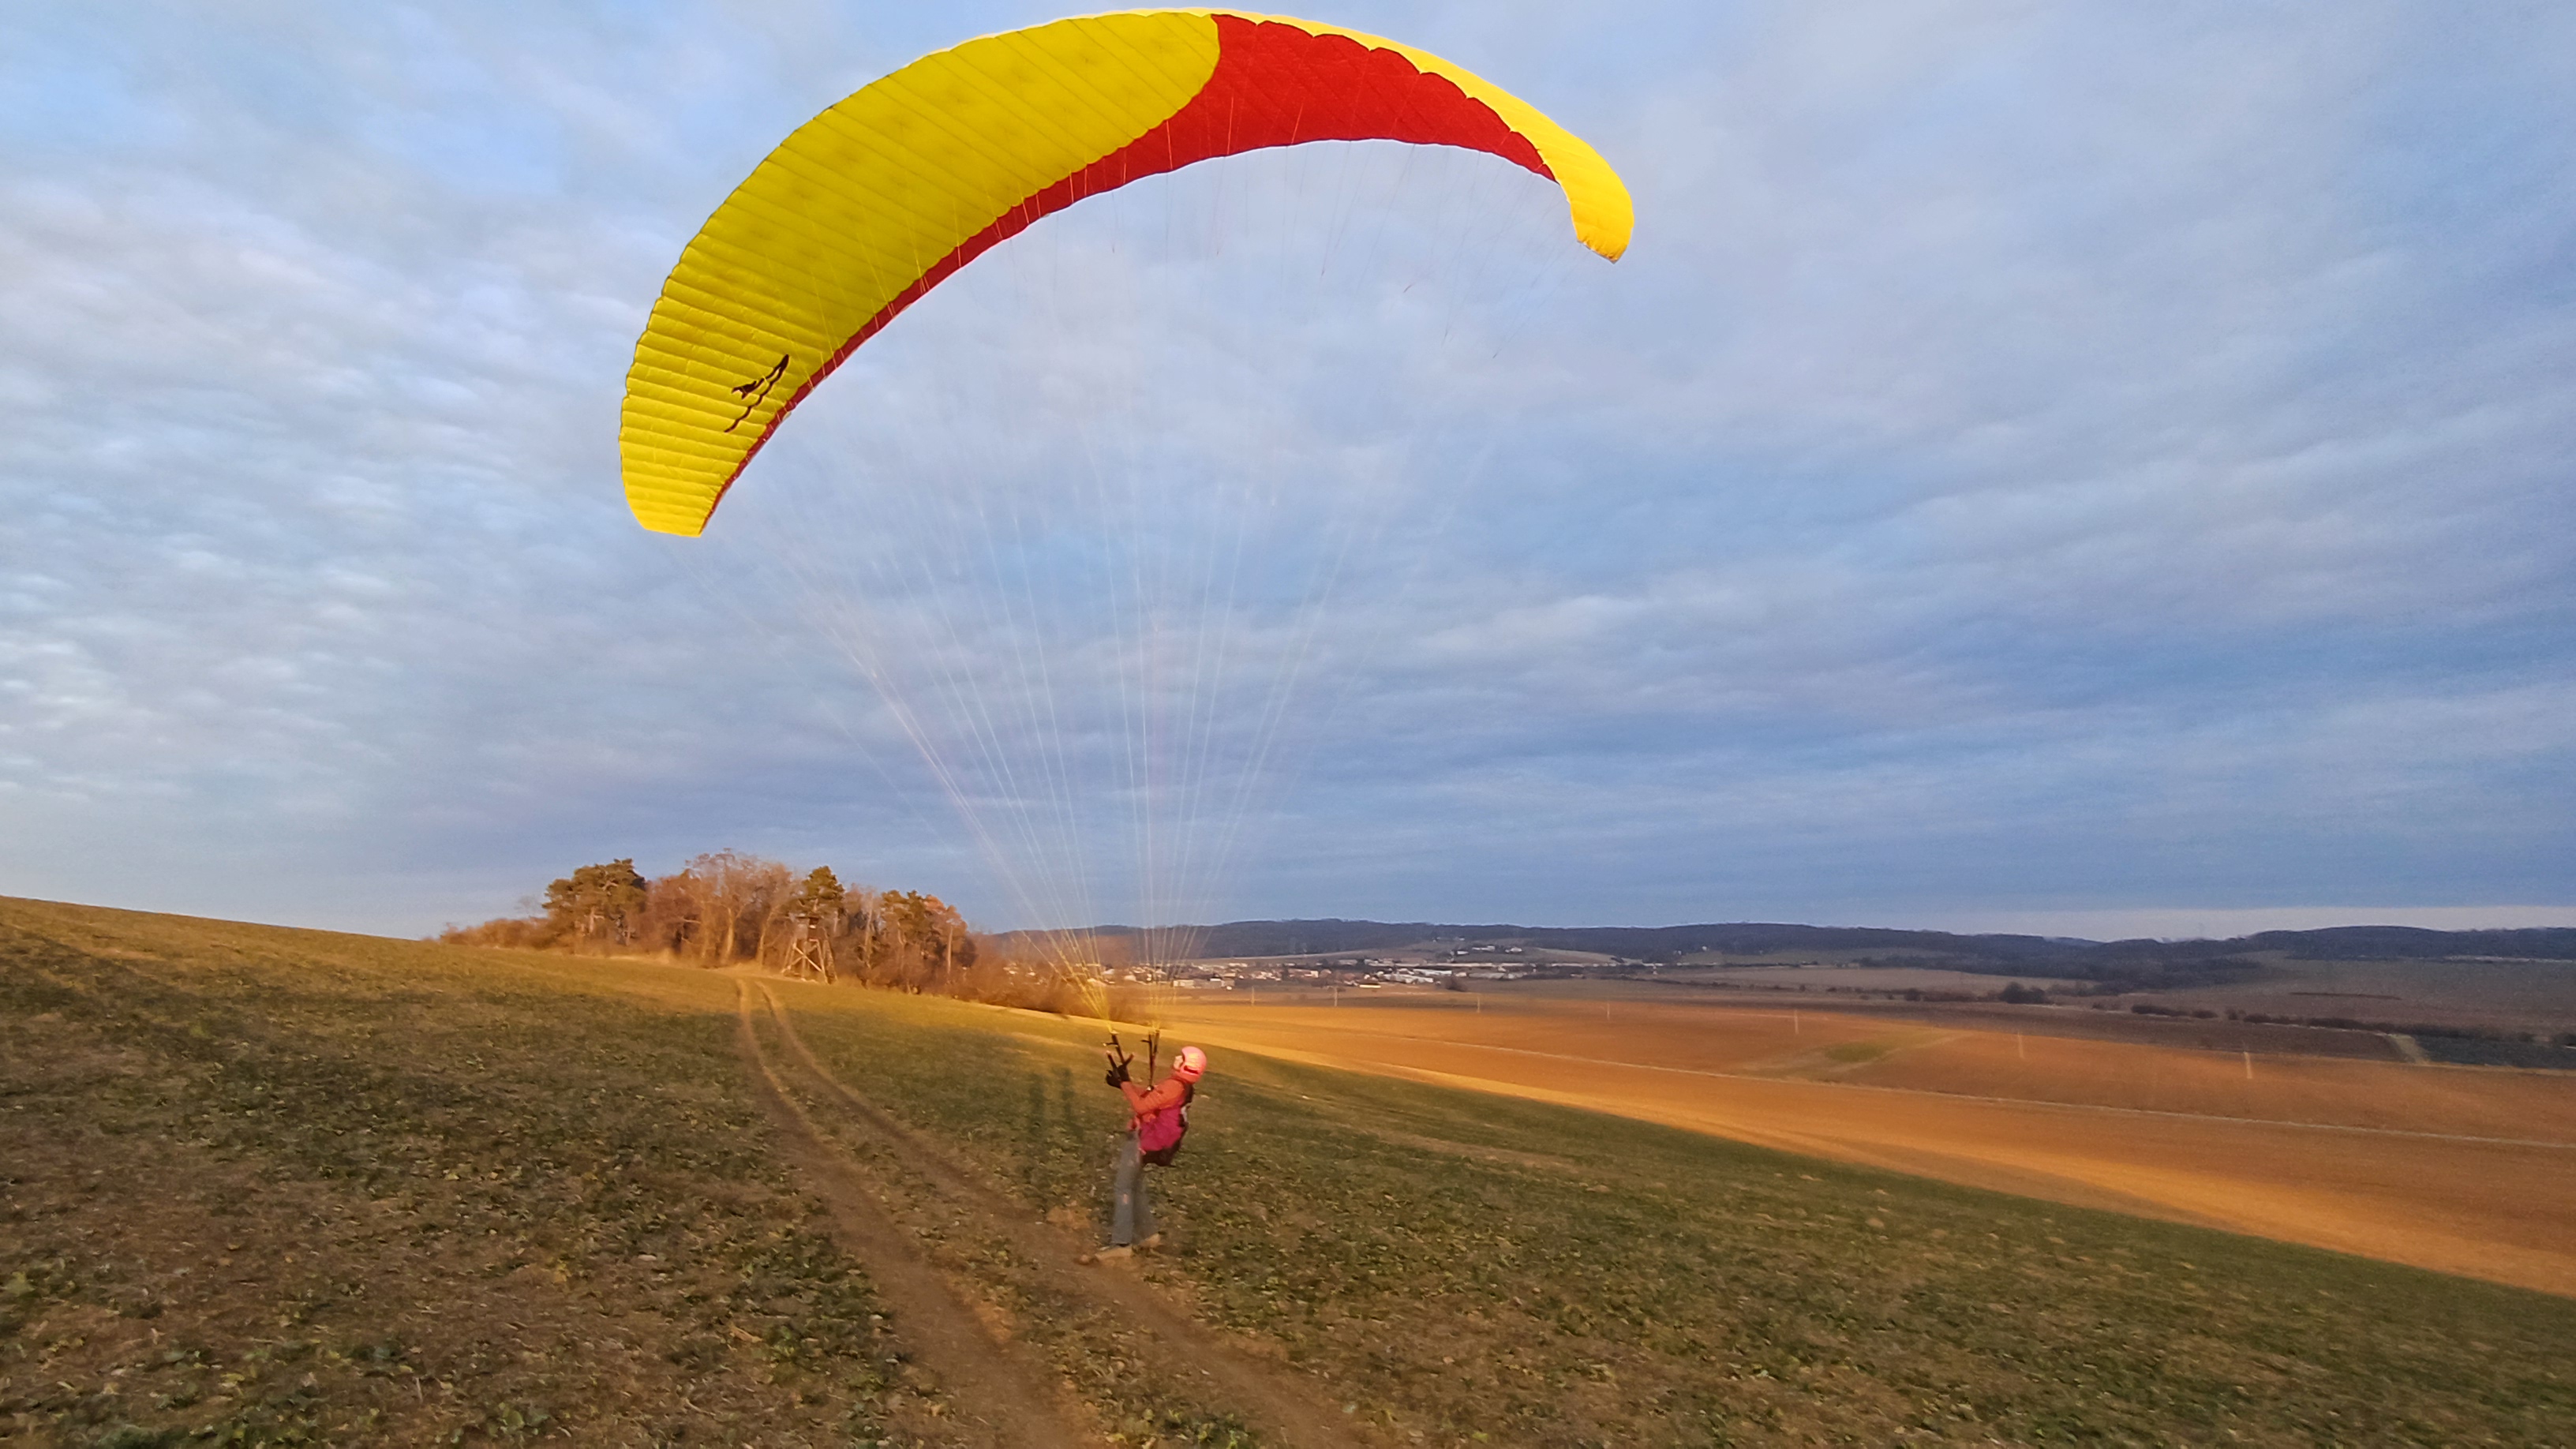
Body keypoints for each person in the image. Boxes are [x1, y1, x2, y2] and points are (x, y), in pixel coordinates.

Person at [1084, 1043, 1205, 1263]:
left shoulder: (1174, 1085)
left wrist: (1125, 1083)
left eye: (1181, 1057)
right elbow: (1150, 1098)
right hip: (1153, 1141)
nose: (1176, 1058)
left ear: (1188, 1066)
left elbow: (1141, 1107)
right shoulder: (1181, 1086)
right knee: (1135, 1187)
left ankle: (1121, 1244)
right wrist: (1124, 1085)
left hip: (1145, 1140)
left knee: (1123, 1188)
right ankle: (1149, 1235)